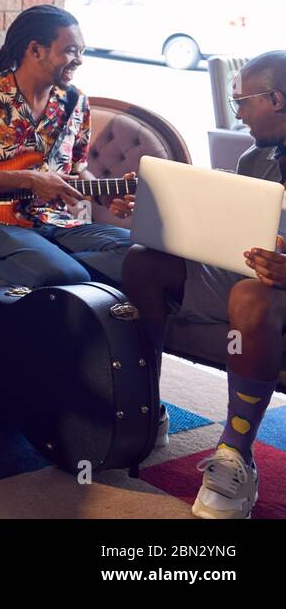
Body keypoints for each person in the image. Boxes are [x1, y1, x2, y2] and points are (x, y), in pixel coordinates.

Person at [122, 50, 286, 519]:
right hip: (252, 273)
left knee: (249, 295)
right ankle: (144, 408)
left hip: (268, 292)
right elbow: (227, 226)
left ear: (275, 98)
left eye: (244, 101)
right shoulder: (257, 158)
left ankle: (235, 454)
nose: (238, 112)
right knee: (143, 262)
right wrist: (158, 217)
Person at [0, 4, 135, 287]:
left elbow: (79, 171)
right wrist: (28, 179)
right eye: (70, 51)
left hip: (58, 224)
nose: (79, 60)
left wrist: (106, 196)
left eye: (82, 51)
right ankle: (66, 278)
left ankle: (61, 276)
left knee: (141, 257)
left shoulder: (76, 102)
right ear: (35, 49)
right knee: (66, 276)